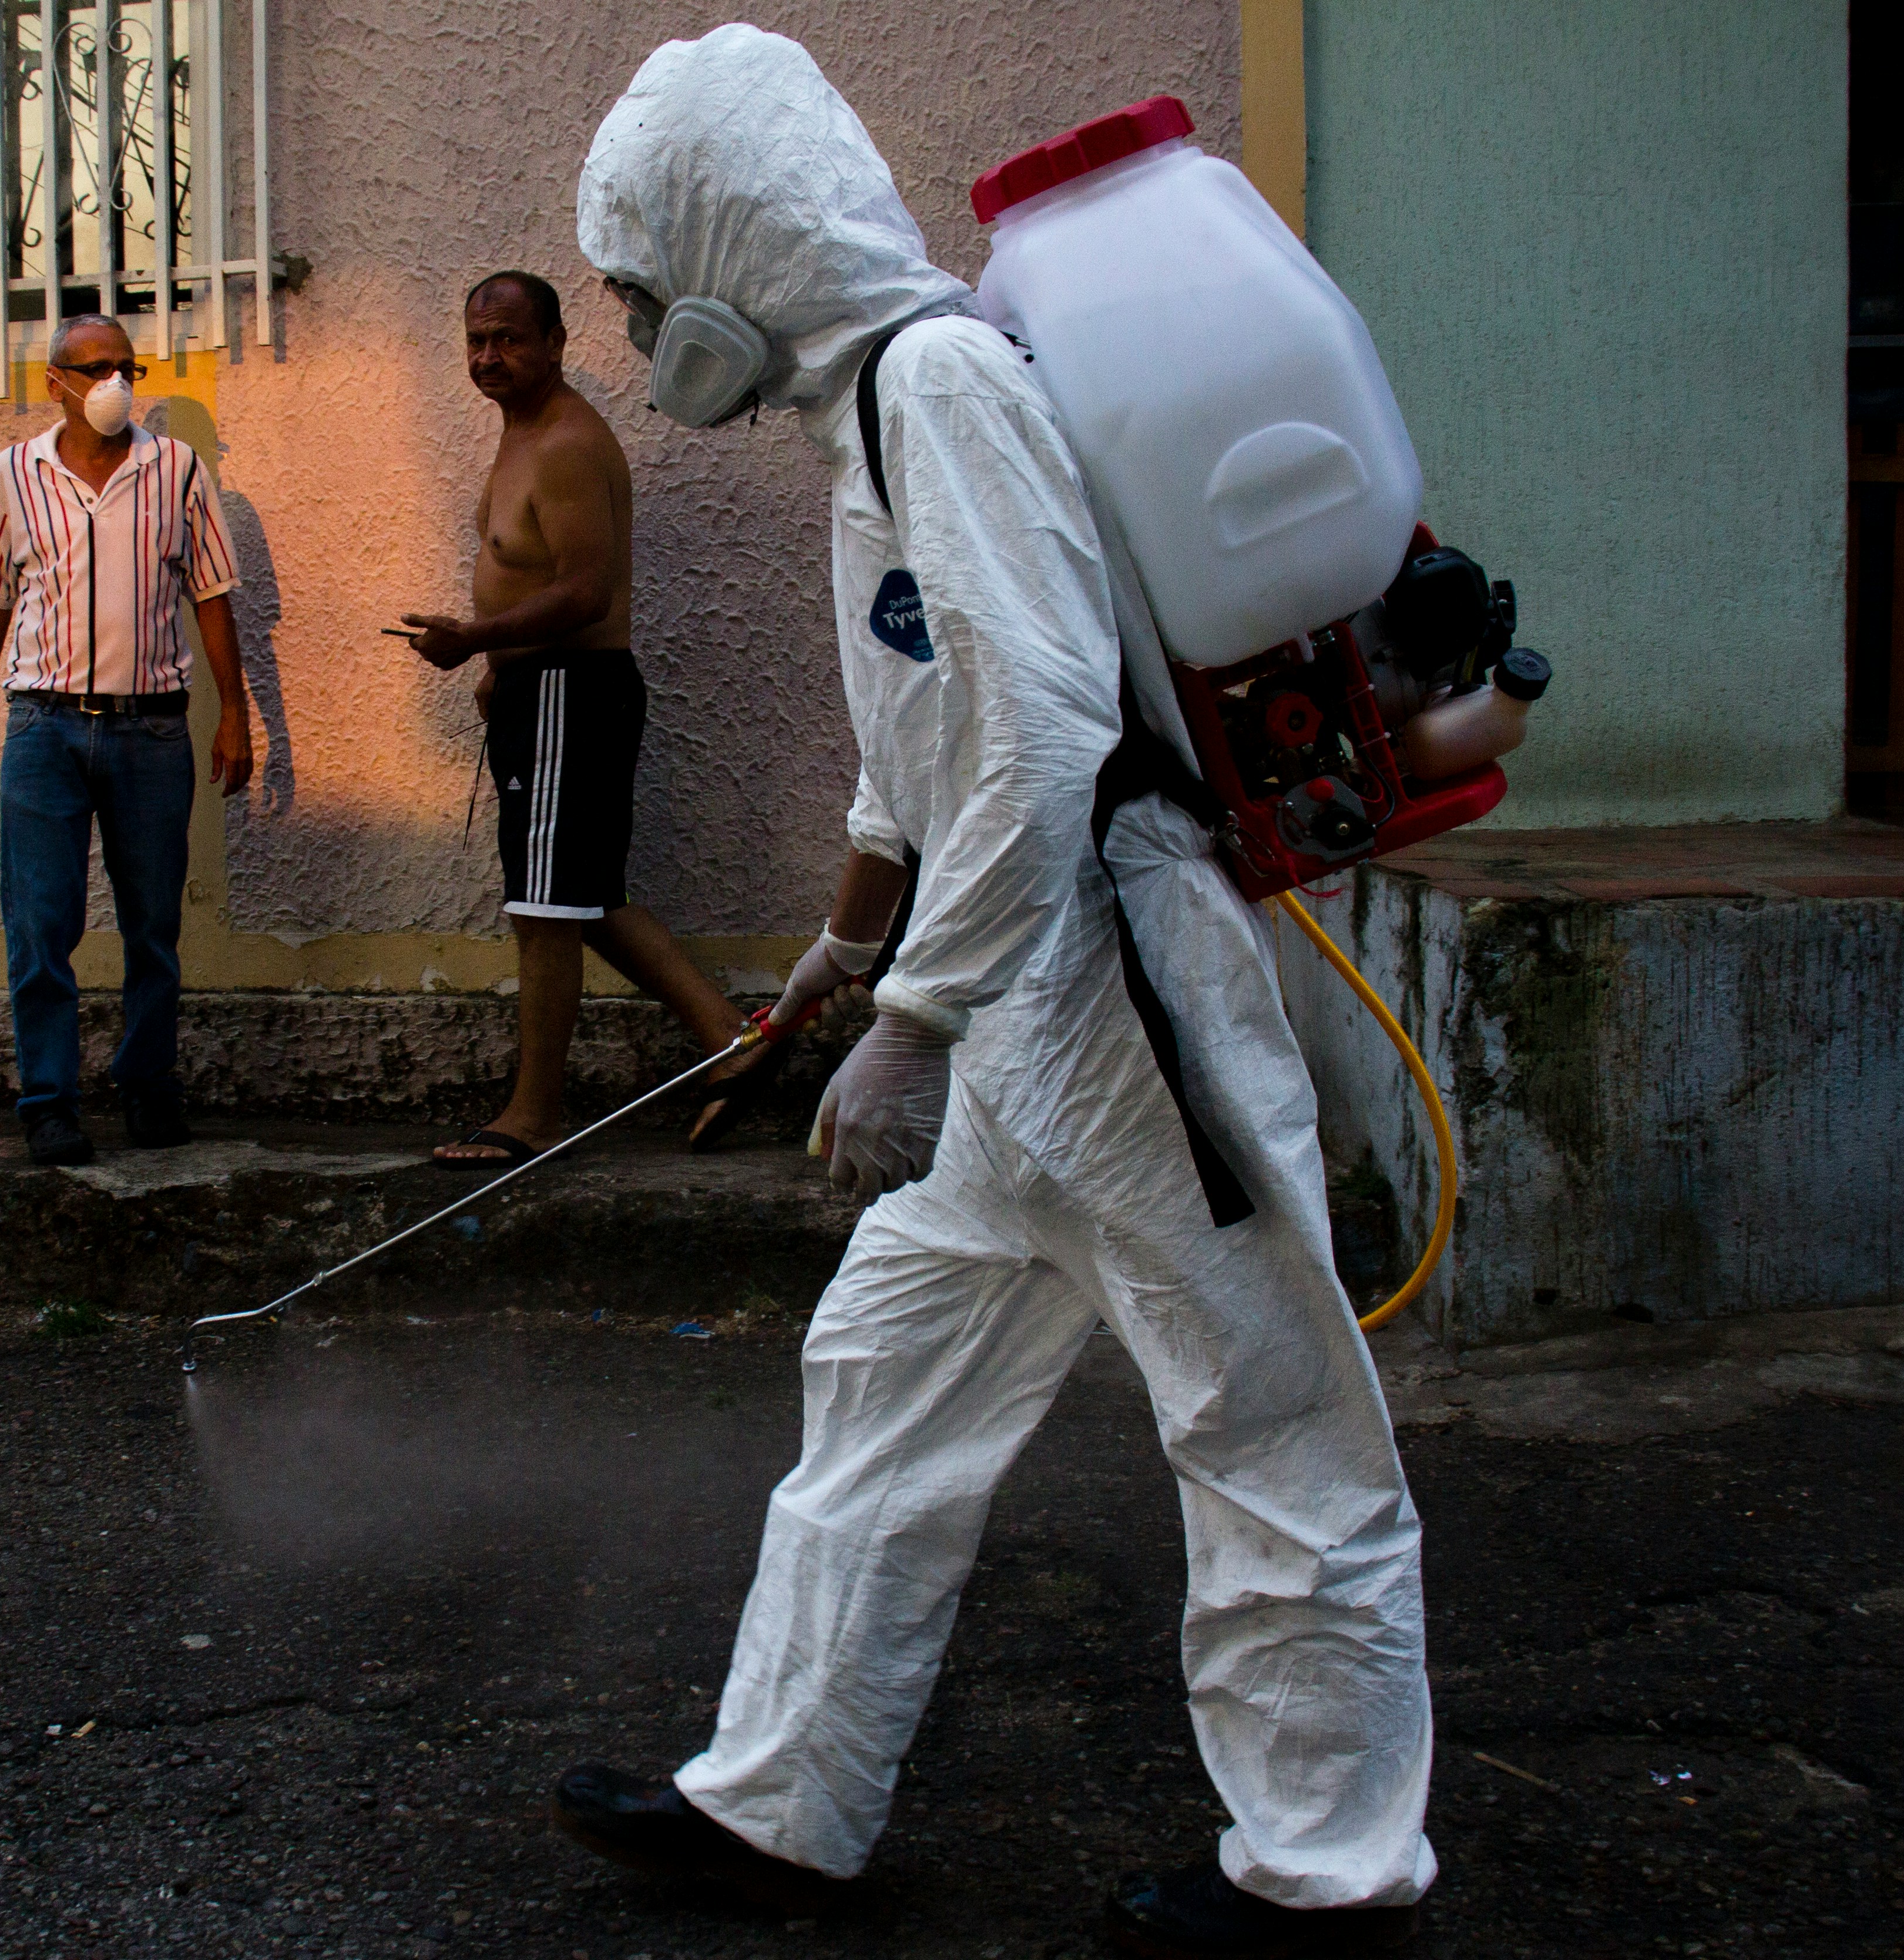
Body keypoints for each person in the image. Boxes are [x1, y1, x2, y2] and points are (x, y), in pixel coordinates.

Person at [548, 29, 1435, 1958]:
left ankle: (1330, 1870)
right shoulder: (861, 403)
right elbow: (920, 746)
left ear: (736, 234)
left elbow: (1038, 730)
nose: (632, 324)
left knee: (1261, 1407)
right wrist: (850, 951)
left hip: (1105, 989)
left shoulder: (936, 380)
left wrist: (913, 1026)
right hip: (1012, 1002)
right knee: (881, 1381)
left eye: (637, 285)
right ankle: (780, 1798)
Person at [398, 270, 784, 1164]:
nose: (488, 356)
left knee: (544, 910)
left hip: (571, 691)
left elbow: (586, 588)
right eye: (476, 340)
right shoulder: (523, 433)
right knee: (582, 898)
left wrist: (477, 639)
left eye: (509, 339)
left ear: (557, 344)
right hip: (544, 691)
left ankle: (532, 1118)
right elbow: (541, 576)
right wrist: (500, 668)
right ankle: (736, 1037)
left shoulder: (566, 442)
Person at [0, 314, 254, 1166]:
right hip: (44, 726)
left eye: (126, 365)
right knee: (42, 923)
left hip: (151, 729)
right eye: (94, 368)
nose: (115, 382)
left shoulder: (177, 471)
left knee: (153, 921)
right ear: (57, 383)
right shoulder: (14, 475)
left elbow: (214, 594)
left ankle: (148, 1085)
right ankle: (49, 1101)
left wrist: (235, 711)